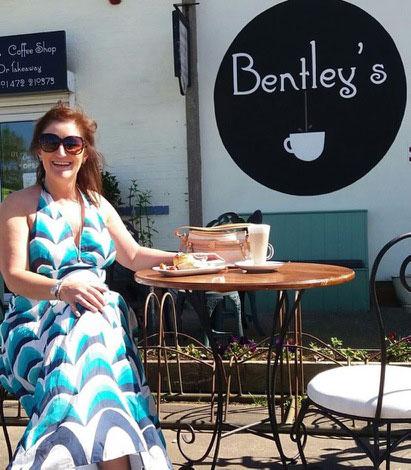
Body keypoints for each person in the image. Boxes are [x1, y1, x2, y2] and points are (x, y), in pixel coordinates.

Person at [0, 103, 178, 469]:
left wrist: (182, 259)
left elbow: (133, 255)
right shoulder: (19, 205)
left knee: (95, 332)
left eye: (71, 144)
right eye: (50, 143)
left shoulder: (97, 204)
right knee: (92, 336)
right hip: (38, 319)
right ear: (38, 150)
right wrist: (62, 289)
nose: (61, 152)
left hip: (99, 319)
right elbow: (14, 277)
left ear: (84, 151)